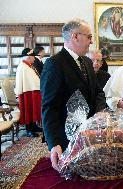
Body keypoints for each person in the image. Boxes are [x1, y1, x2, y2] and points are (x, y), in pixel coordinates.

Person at [41, 19, 106, 171]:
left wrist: (100, 112)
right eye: (89, 37)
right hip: (67, 139)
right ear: (75, 36)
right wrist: (54, 143)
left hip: (90, 134)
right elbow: (49, 107)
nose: (91, 41)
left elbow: (98, 92)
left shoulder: (87, 62)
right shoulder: (54, 64)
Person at [15, 48, 41, 137]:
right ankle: (29, 130)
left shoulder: (28, 65)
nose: (34, 58)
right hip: (27, 93)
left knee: (33, 110)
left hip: (31, 91)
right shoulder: (23, 66)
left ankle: (34, 126)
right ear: (29, 57)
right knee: (28, 110)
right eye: (33, 57)